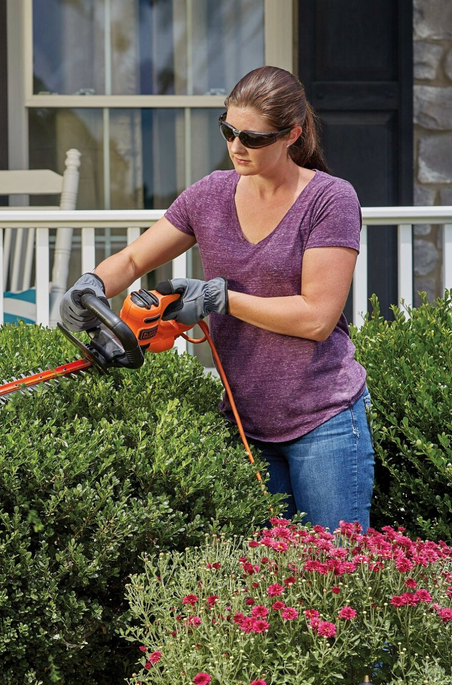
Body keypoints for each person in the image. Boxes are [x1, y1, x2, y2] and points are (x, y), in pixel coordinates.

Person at [59, 66, 374, 533]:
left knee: (334, 577)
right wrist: (89, 287)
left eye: (253, 137)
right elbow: (131, 261)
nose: (237, 146)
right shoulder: (210, 194)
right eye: (228, 129)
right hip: (244, 421)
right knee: (260, 587)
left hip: (323, 419)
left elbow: (316, 319)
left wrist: (219, 299)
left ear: (293, 134)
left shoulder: (330, 200)